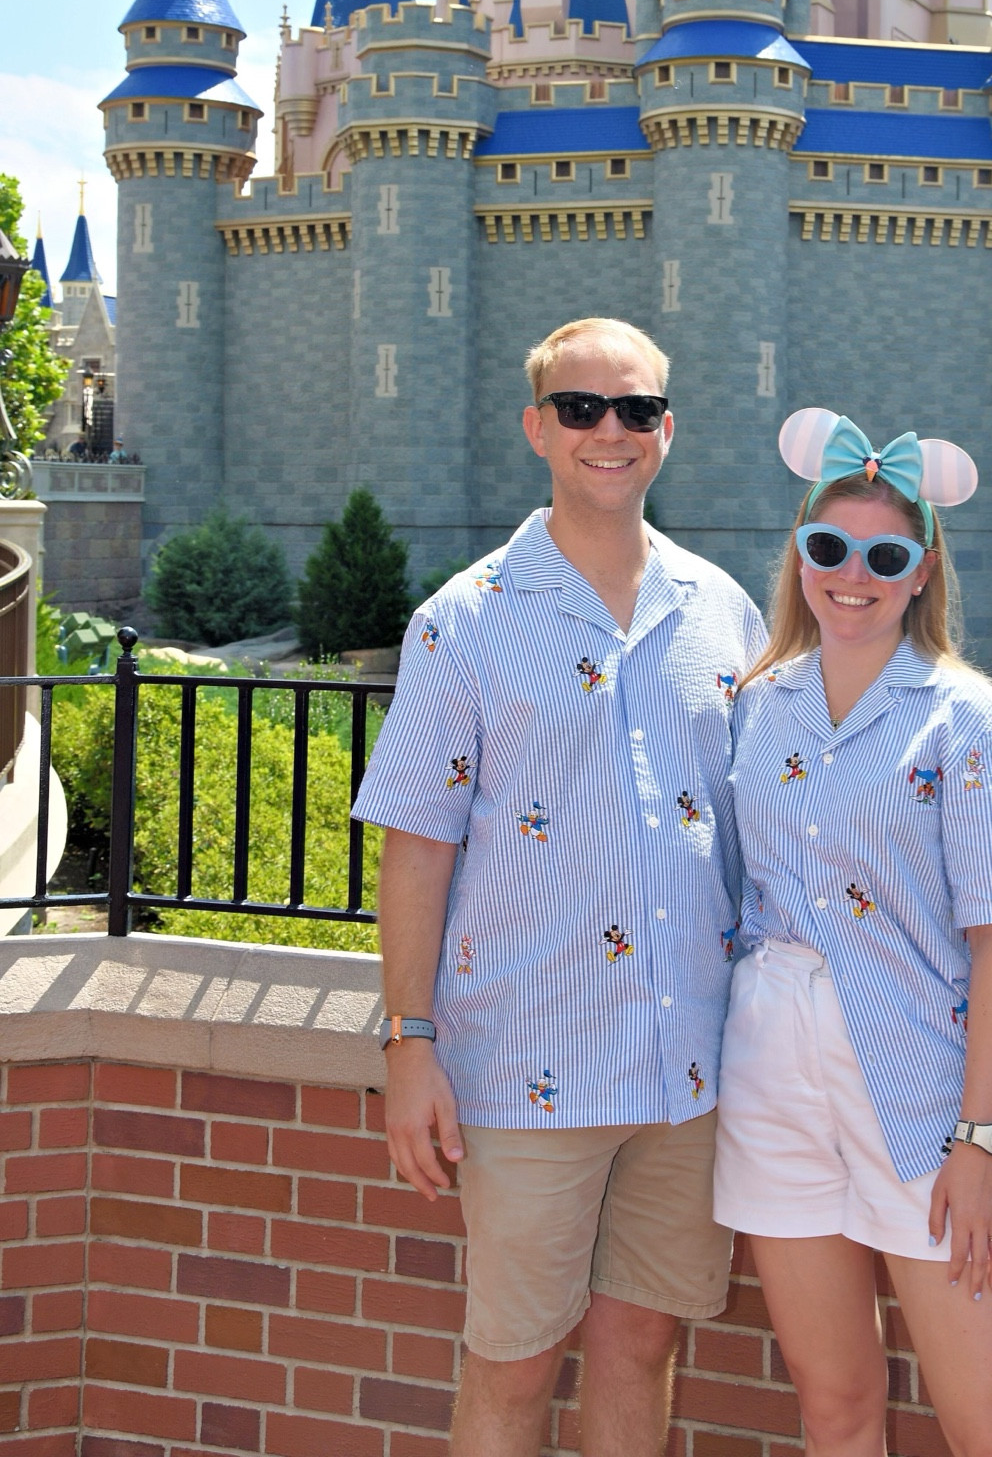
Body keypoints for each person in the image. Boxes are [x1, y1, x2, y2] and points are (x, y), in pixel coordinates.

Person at [352, 317, 766, 1457]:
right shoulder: (464, 620)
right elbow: (417, 843)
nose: (609, 430)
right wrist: (408, 1043)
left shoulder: (723, 610)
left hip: (687, 1066)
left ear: (667, 430)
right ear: (537, 428)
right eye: (581, 408)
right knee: (514, 1359)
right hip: (527, 1062)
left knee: (642, 1343)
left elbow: (761, 827)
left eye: (635, 408)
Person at [713, 409, 992, 1457]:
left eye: (885, 556)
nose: (851, 575)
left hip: (918, 1088)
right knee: (834, 1403)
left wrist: (979, 1140)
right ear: (799, 553)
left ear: (921, 572)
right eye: (829, 546)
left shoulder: (970, 718)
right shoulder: (757, 704)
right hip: (770, 1068)